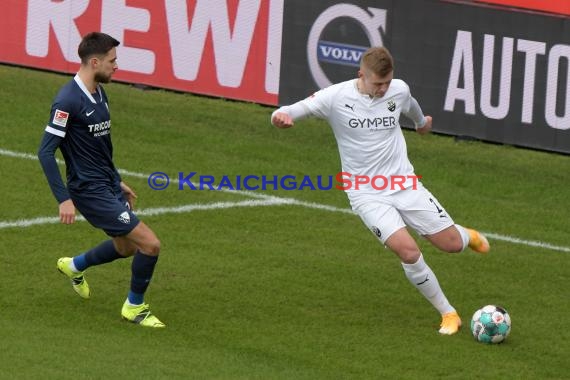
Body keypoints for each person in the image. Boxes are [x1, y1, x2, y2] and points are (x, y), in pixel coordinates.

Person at [271, 46, 490, 335]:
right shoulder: (335, 97)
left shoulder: (397, 91)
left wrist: (422, 124)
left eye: (387, 83)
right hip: (365, 193)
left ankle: (466, 236)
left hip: (404, 184)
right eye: (378, 84)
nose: (383, 89)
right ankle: (448, 313)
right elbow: (289, 110)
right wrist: (280, 117)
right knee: (408, 251)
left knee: (450, 245)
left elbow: (411, 107)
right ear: (361, 74)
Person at [38, 32, 164, 328]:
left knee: (126, 248)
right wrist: (63, 199)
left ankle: (74, 266)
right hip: (88, 191)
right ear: (95, 62)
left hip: (106, 184)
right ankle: (135, 307)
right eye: (112, 60)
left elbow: (99, 146)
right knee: (150, 245)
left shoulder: (99, 92)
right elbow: (45, 152)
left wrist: (116, 179)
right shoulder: (67, 100)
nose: (116, 66)